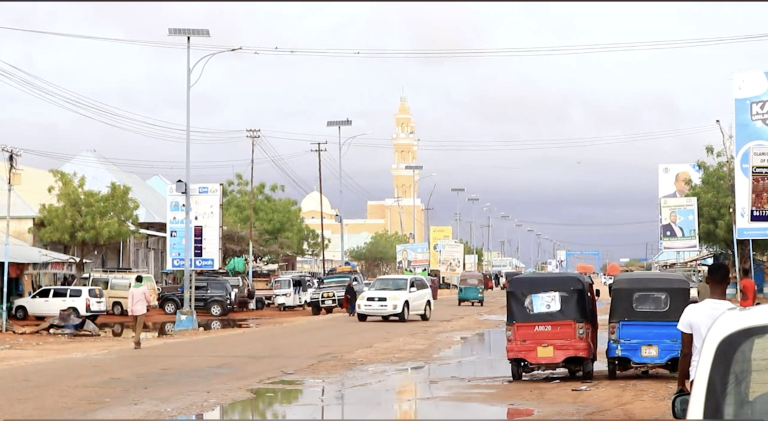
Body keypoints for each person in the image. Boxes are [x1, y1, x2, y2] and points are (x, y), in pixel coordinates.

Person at [676, 263, 735, 393]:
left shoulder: (691, 311)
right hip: (729, 377)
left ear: (707, 280)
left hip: (699, 376)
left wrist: (681, 383)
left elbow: (686, 352)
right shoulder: (736, 313)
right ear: (728, 281)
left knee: (701, 413)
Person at [127, 275, 151, 350]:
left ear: (136, 281)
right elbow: (148, 298)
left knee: (135, 327)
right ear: (142, 281)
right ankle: (136, 340)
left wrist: (129, 311)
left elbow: (130, 301)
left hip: (134, 310)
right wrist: (149, 303)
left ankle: (137, 344)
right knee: (139, 327)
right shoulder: (144, 288)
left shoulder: (131, 289)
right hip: (141, 310)